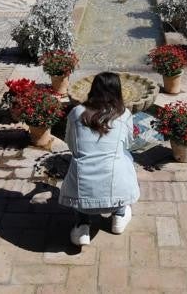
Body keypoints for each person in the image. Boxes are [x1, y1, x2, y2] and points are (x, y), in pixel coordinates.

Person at [59, 72, 139, 247]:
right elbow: (128, 144)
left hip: (81, 199)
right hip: (116, 196)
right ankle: (119, 216)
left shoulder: (76, 112)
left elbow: (71, 146)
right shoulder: (124, 114)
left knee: (77, 160)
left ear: (93, 88)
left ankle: (82, 227)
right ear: (118, 91)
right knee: (125, 156)